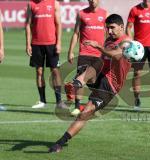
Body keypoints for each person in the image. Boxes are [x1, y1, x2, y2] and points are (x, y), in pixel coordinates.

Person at [49, 14, 134, 153]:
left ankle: (60, 142)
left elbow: (116, 55)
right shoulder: (108, 40)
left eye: (112, 28)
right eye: (107, 28)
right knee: (93, 64)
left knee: (85, 113)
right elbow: (102, 60)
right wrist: (89, 74)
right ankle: (77, 83)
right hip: (101, 76)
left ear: (121, 27)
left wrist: (98, 46)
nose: (109, 31)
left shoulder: (127, 42)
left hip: (110, 85)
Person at [66, 0, 107, 116]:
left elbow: (108, 35)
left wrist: (109, 51)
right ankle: (77, 107)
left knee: (94, 81)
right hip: (84, 53)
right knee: (81, 78)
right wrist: (70, 51)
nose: (92, 1)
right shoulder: (81, 14)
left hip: (99, 54)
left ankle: (94, 105)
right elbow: (75, 33)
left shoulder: (105, 14)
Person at [25, 0, 65, 108]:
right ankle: (42, 101)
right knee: (39, 71)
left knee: (55, 71)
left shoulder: (54, 3)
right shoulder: (31, 4)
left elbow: (58, 24)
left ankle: (59, 102)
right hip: (36, 44)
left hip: (51, 44)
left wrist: (59, 43)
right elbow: (28, 24)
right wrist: (28, 44)